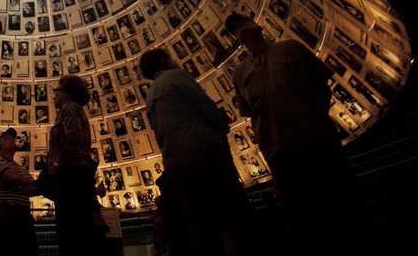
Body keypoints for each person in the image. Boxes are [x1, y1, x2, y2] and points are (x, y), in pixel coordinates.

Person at [225, 13, 352, 252]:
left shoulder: (290, 49)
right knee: (299, 220)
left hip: (316, 141)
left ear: (257, 25)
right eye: (236, 30)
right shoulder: (240, 72)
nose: (242, 31)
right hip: (279, 152)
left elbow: (321, 85)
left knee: (337, 207)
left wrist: (314, 118)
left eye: (243, 24)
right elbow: (250, 112)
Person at [139, 48, 250, 256]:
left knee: (202, 227)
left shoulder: (152, 94)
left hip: (178, 166)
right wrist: (222, 126)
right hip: (206, 155)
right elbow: (205, 106)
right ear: (164, 60)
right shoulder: (177, 77)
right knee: (235, 217)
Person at [37, 75, 105, 256]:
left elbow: (72, 138)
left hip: (71, 179)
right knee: (82, 234)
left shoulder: (69, 108)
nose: (54, 95)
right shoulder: (77, 110)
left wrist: (56, 164)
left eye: (57, 90)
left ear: (66, 92)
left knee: (71, 235)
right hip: (79, 177)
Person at [0, 128, 38, 256]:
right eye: (6, 138)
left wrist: (21, 183)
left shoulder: (19, 167)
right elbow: (11, 177)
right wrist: (23, 183)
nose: (11, 138)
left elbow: (33, 189)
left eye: (12, 138)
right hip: (5, 216)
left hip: (24, 216)